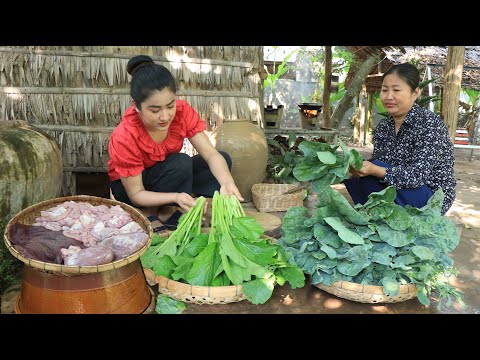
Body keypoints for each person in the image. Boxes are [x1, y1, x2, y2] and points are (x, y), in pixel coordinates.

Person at [108, 55, 244, 232]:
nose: (165, 116)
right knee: (181, 162)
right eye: (155, 110)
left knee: (222, 160)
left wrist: (226, 182)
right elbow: (136, 194)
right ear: (136, 105)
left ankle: (172, 205)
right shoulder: (125, 136)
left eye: (170, 106)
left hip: (167, 174)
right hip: (131, 190)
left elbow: (211, 154)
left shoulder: (181, 113)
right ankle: (160, 211)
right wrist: (176, 196)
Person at [344, 62, 456, 215]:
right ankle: (383, 216)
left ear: (415, 93)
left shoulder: (430, 125)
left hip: (430, 195)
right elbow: (383, 166)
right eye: (384, 90)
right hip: (398, 186)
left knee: (372, 171)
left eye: (396, 90)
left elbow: (417, 176)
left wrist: (375, 169)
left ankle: (393, 215)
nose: (389, 97)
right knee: (357, 179)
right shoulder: (383, 127)